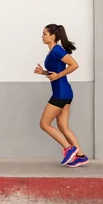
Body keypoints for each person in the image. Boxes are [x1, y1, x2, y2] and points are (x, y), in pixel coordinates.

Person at [34, 24, 89, 168]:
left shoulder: (57, 50)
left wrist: (58, 75)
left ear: (52, 36)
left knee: (44, 124)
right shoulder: (53, 51)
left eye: (45, 34)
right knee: (63, 126)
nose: (42, 36)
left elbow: (74, 65)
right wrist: (44, 73)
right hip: (65, 92)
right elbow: (55, 72)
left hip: (61, 93)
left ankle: (68, 149)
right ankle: (80, 156)